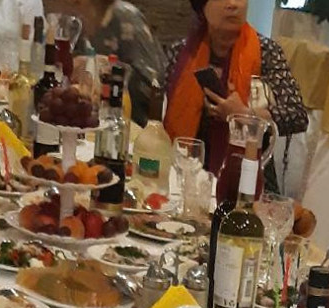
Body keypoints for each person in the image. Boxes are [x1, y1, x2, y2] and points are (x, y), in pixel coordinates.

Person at [164, 0, 308, 186]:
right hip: (186, 174)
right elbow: (159, 112)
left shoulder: (266, 52)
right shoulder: (182, 53)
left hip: (250, 178)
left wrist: (246, 116)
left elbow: (297, 115)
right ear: (202, 7)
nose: (233, 4)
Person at [47, 0, 165, 125]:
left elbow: (152, 83)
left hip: (132, 125)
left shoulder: (126, 19)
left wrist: (110, 69)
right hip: (92, 121)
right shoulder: (79, 23)